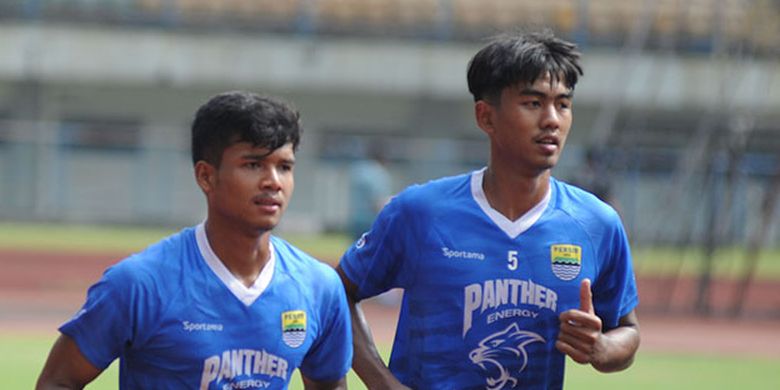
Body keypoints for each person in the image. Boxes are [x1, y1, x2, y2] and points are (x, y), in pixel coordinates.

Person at [337, 31, 640, 389]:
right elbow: (337, 295)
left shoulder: (596, 223)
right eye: (533, 103)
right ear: (486, 117)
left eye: (563, 104)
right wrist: (384, 384)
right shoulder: (420, 213)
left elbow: (628, 331)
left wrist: (603, 347)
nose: (552, 120)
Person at [36, 91, 352, 390]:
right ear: (205, 176)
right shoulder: (139, 284)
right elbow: (58, 382)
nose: (273, 182)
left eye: (284, 167)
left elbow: (330, 384)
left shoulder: (319, 287)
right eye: (253, 164)